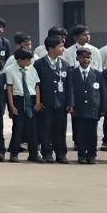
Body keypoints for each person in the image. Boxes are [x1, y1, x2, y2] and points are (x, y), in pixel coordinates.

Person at [33, 35, 70, 164]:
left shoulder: (65, 64)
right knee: (45, 129)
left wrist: (70, 103)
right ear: (51, 48)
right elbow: (36, 84)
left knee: (60, 129)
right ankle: (47, 153)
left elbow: (68, 86)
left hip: (61, 103)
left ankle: (61, 154)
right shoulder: (39, 64)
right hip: (45, 103)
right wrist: (37, 102)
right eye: (60, 46)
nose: (63, 49)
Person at [66, 47, 103, 163]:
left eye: (88, 57)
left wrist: (101, 108)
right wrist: (71, 105)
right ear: (77, 58)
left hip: (93, 108)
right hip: (78, 108)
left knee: (92, 133)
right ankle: (81, 155)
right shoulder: (72, 73)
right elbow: (70, 90)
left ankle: (92, 155)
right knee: (80, 133)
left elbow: (102, 92)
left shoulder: (97, 74)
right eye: (83, 57)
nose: (86, 60)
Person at [6, 48, 40, 162]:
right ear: (20, 60)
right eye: (28, 60)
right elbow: (9, 89)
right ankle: (14, 154)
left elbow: (37, 86)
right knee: (18, 128)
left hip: (31, 99)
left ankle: (34, 154)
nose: (30, 62)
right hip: (18, 99)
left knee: (33, 129)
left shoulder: (32, 69)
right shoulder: (10, 70)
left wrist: (38, 102)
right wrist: (12, 106)